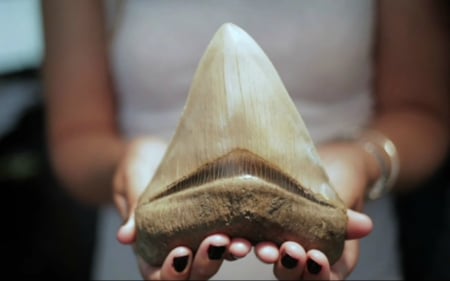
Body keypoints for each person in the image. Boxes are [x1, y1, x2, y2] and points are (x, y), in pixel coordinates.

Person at [41, 0, 448, 280]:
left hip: (350, 258)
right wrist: (128, 161)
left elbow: (422, 114)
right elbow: (76, 138)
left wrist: (363, 160)